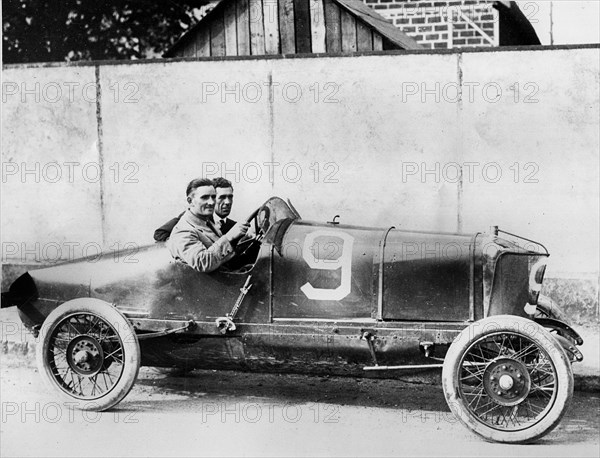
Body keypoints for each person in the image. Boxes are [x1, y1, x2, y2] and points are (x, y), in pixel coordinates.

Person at [167, 178, 249, 272]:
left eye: (213, 197)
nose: (211, 202)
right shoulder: (183, 230)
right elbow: (203, 263)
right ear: (190, 201)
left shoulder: (206, 221)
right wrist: (229, 237)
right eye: (204, 197)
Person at [154, 177, 236, 241]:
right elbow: (160, 233)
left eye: (230, 197)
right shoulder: (193, 217)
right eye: (222, 197)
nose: (228, 202)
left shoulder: (234, 226)